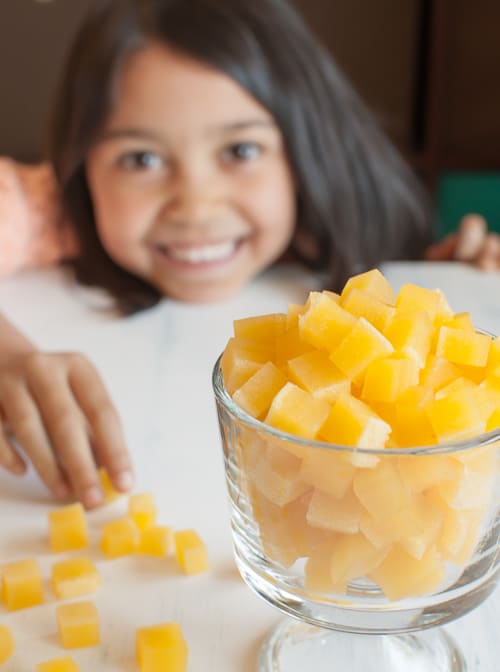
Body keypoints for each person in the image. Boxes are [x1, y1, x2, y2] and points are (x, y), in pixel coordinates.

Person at [0, 0, 496, 509]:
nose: (195, 207)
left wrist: (455, 273)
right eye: (141, 159)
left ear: (306, 154)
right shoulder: (45, 207)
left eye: (240, 151)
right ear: (80, 168)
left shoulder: (328, 228)